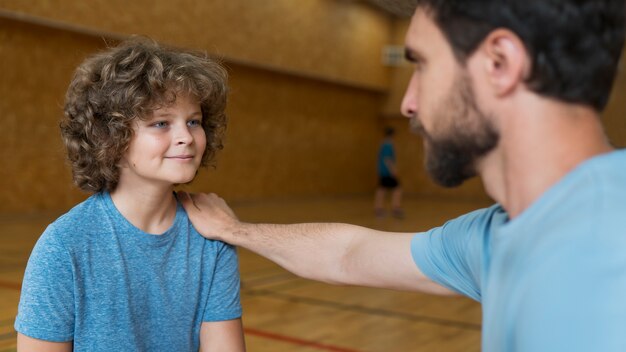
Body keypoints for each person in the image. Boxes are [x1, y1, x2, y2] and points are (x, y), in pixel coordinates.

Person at [180, 0, 626, 351]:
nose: (408, 102)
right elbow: (349, 254)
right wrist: (236, 230)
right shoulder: (497, 236)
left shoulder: (605, 250)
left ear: (500, 63)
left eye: (422, 64)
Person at [14, 37, 245, 351]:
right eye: (161, 123)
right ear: (110, 137)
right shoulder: (63, 246)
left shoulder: (211, 239)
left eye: (193, 121)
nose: (186, 137)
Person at [374, 126, 404, 218]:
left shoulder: (383, 144)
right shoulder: (388, 144)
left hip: (382, 171)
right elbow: (387, 159)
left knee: (382, 189)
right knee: (397, 188)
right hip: (387, 172)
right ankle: (396, 208)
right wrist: (393, 170)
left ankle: (378, 208)